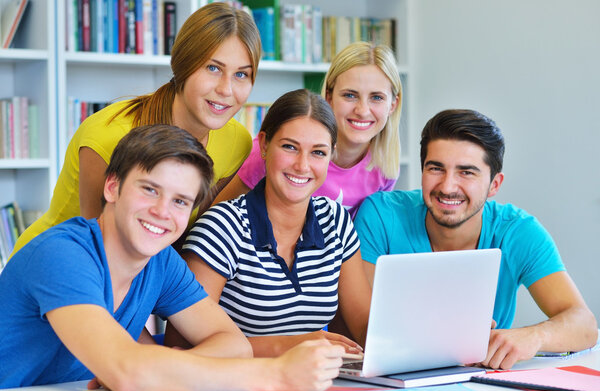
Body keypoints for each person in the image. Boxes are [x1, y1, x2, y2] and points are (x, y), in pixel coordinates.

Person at [0, 125, 345, 391]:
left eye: (181, 201)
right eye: (149, 189)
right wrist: (278, 374)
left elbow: (234, 345)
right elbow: (127, 373)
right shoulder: (62, 253)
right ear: (112, 187)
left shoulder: (161, 262)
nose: (162, 212)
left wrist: (158, 371)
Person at [354, 109, 598, 370]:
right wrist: (452, 335)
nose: (447, 187)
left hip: (480, 383)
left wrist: (534, 336)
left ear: (494, 184)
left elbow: (584, 325)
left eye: (466, 172)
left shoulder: (517, 231)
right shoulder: (381, 215)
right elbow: (363, 330)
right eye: (436, 168)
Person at [11, 2, 261, 256]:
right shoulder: (108, 135)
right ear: (183, 64)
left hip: (142, 270)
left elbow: (194, 233)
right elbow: (101, 250)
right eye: (213, 68)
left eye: (241, 75)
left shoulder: (236, 141)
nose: (226, 90)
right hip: (55, 263)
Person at [171, 89, 372, 357]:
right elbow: (183, 347)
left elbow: (364, 324)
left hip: (310, 383)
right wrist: (290, 345)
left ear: (332, 155)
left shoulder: (335, 222)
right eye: (290, 147)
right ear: (264, 144)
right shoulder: (222, 228)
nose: (302, 166)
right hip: (234, 388)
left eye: (318, 153)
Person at [214, 42, 402, 218]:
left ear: (393, 104)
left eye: (376, 97)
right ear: (329, 97)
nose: (362, 111)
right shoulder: (279, 148)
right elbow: (219, 216)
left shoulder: (385, 166)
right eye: (350, 95)